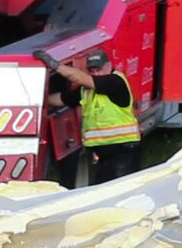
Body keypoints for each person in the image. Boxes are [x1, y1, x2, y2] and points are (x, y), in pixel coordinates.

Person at [58, 55, 143, 186]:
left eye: (99, 69)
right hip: (103, 154)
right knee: (103, 192)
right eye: (92, 71)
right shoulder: (87, 90)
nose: (96, 74)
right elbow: (62, 99)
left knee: (121, 191)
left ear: (109, 66)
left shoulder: (114, 81)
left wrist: (55, 66)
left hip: (123, 151)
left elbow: (77, 77)